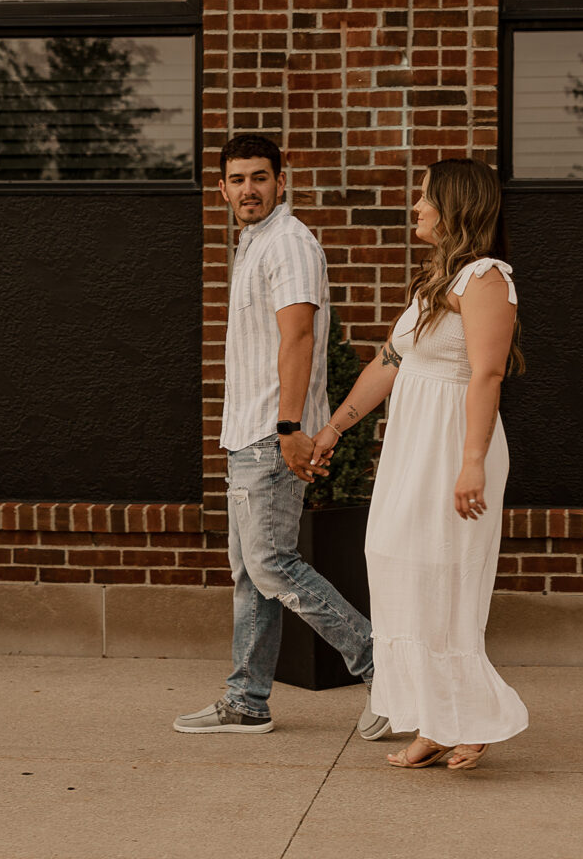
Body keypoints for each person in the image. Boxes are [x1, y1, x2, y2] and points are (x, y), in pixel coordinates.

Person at [311, 157, 529, 769]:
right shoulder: (435, 280)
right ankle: (432, 719)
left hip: (454, 447)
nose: (416, 205)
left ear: (456, 206)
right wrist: (333, 429)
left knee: (448, 577)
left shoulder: (487, 279)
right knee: (396, 563)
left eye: (426, 196)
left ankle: (473, 720)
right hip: (412, 447)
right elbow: (389, 360)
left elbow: (486, 372)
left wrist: (472, 462)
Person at [173, 133, 388, 740]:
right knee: (252, 572)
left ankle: (383, 667)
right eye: (237, 179)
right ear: (222, 189)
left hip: (271, 433)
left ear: (281, 181)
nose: (249, 189)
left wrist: (290, 427)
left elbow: (297, 339)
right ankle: (246, 700)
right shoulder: (255, 244)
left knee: (271, 564)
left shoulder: (289, 243)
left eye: (260, 177)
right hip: (249, 434)